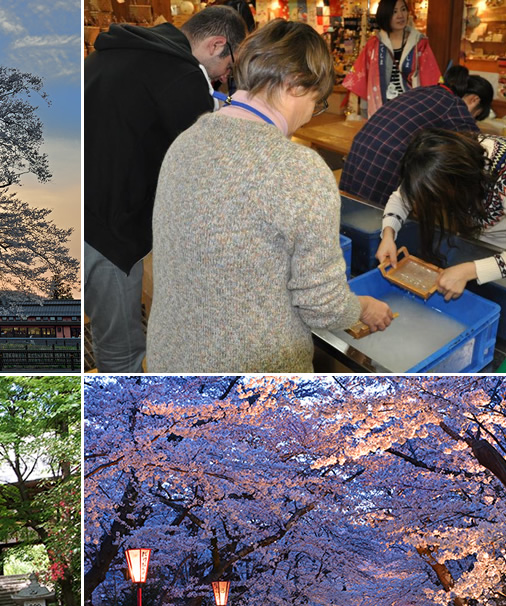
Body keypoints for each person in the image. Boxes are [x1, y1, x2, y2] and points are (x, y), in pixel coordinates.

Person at [145, 20, 394, 373]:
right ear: (294, 83)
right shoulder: (298, 169)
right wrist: (363, 308)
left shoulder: (186, 141)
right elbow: (321, 305)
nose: (311, 114)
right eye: (316, 101)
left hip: (170, 358)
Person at [84, 6, 248, 373]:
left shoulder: (118, 52)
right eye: (230, 66)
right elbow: (207, 170)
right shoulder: (180, 74)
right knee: (122, 351)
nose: (224, 79)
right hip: (106, 231)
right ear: (216, 44)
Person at [377, 129, 506, 300]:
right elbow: (400, 198)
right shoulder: (440, 163)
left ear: (457, 182)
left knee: (503, 297)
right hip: (481, 236)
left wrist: (468, 270)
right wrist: (388, 234)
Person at [340, 65, 494, 206]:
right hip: (386, 158)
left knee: (349, 211)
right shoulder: (453, 104)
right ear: (474, 100)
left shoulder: (425, 91)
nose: (470, 119)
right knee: (373, 218)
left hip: (361, 148)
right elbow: (479, 146)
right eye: (475, 116)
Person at [342, 0, 442, 118]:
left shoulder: (419, 43)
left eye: (403, 9)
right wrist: (364, 107)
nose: (400, 15)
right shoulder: (374, 44)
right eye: (394, 12)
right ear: (385, 15)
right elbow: (364, 77)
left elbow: (430, 77)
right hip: (382, 106)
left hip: (411, 108)